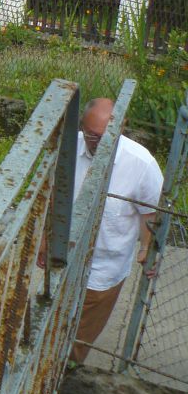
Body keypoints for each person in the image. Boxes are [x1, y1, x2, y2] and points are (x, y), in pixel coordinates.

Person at [68, 98, 164, 364]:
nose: (96, 143)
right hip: (64, 256)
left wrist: (146, 247)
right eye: (91, 135)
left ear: (121, 128)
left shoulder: (141, 164)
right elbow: (55, 195)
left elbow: (150, 212)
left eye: (104, 137)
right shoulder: (70, 146)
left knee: (80, 334)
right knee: (52, 317)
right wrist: (44, 240)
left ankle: (67, 371)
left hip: (104, 266)